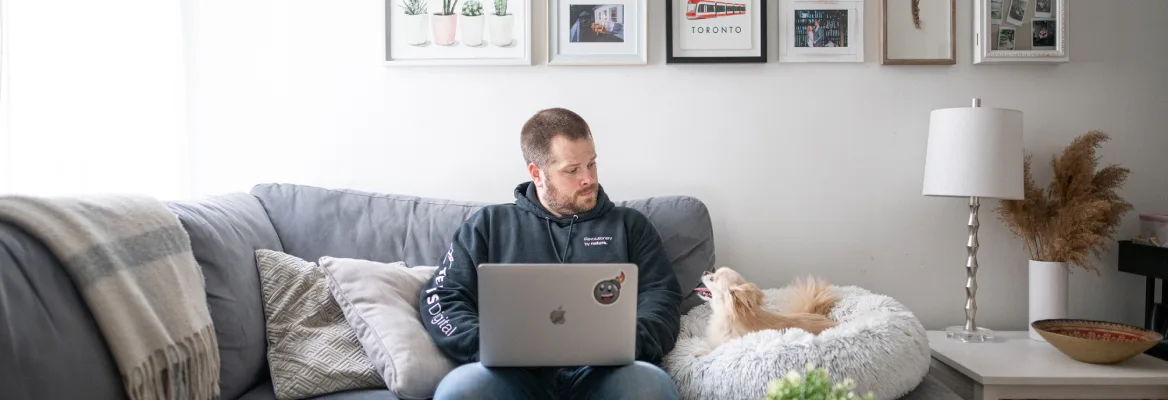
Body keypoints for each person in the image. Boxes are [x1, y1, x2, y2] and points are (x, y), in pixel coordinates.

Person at [418, 107, 683, 400]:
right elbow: (442, 297)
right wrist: (488, 346)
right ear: (537, 173)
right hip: (511, 376)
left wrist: (628, 343)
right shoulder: (489, 225)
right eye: (572, 170)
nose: (588, 179)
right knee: (460, 390)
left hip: (606, 373)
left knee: (652, 387)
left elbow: (662, 298)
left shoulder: (630, 226)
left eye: (591, 164)